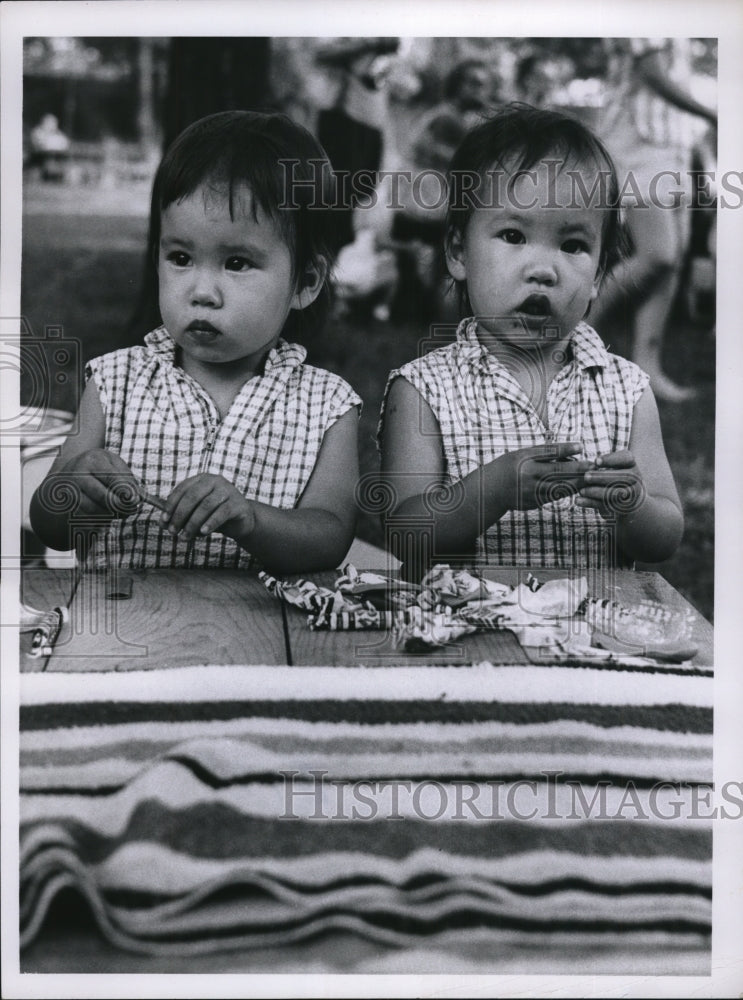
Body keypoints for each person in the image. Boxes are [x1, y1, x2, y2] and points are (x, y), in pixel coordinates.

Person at [30, 111, 361, 575]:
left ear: (306, 282)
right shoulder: (115, 382)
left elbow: (330, 537)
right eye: (181, 257)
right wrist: (76, 489)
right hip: (124, 612)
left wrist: (251, 520)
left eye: (237, 262)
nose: (202, 291)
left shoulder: (326, 406)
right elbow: (49, 525)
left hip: (259, 619)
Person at [378, 104, 683, 580]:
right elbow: (403, 532)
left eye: (573, 245)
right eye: (513, 235)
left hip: (590, 621)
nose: (543, 269)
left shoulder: (626, 392)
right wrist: (493, 489)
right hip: (466, 619)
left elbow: (664, 538)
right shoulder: (424, 390)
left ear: (599, 275)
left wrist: (634, 504)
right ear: (458, 252)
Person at [592, 38, 717, 403]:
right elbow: (652, 73)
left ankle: (647, 368)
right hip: (637, 141)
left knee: (673, 261)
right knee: (658, 253)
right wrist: (712, 114)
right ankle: (574, 332)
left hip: (673, 142)